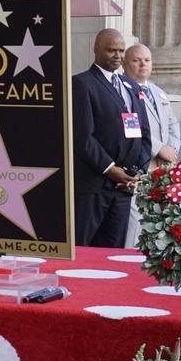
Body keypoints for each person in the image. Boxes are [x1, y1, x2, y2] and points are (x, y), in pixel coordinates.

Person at [71, 28, 150, 247]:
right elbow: (82, 137)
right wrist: (110, 169)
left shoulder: (131, 85)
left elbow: (144, 133)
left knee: (112, 252)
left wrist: (139, 170)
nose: (117, 56)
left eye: (121, 51)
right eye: (111, 50)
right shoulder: (81, 83)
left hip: (124, 187)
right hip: (94, 186)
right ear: (96, 49)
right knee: (84, 249)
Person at [123, 44, 181, 246]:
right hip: (138, 165)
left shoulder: (158, 92)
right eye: (136, 60)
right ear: (124, 63)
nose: (143, 65)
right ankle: (128, 259)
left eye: (147, 60)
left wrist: (172, 148)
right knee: (135, 219)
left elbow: (173, 123)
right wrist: (159, 148)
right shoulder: (122, 90)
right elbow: (130, 127)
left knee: (156, 219)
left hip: (161, 168)